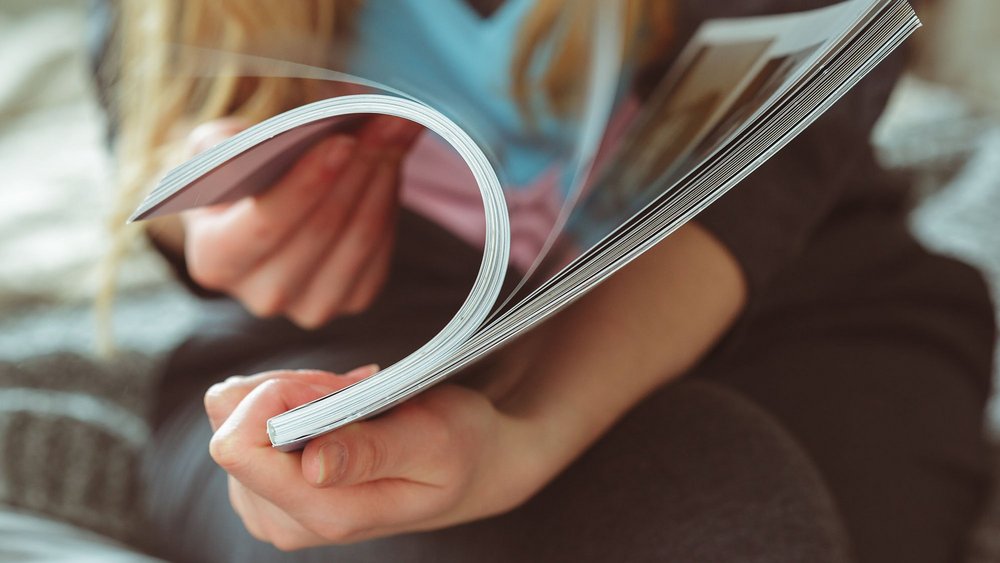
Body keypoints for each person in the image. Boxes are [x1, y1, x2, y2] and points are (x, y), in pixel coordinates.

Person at [94, 0, 995, 561]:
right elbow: (150, 111)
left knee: (726, 497)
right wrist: (211, 209)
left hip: (787, 301)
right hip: (363, 347)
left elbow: (775, 154)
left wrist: (520, 431)